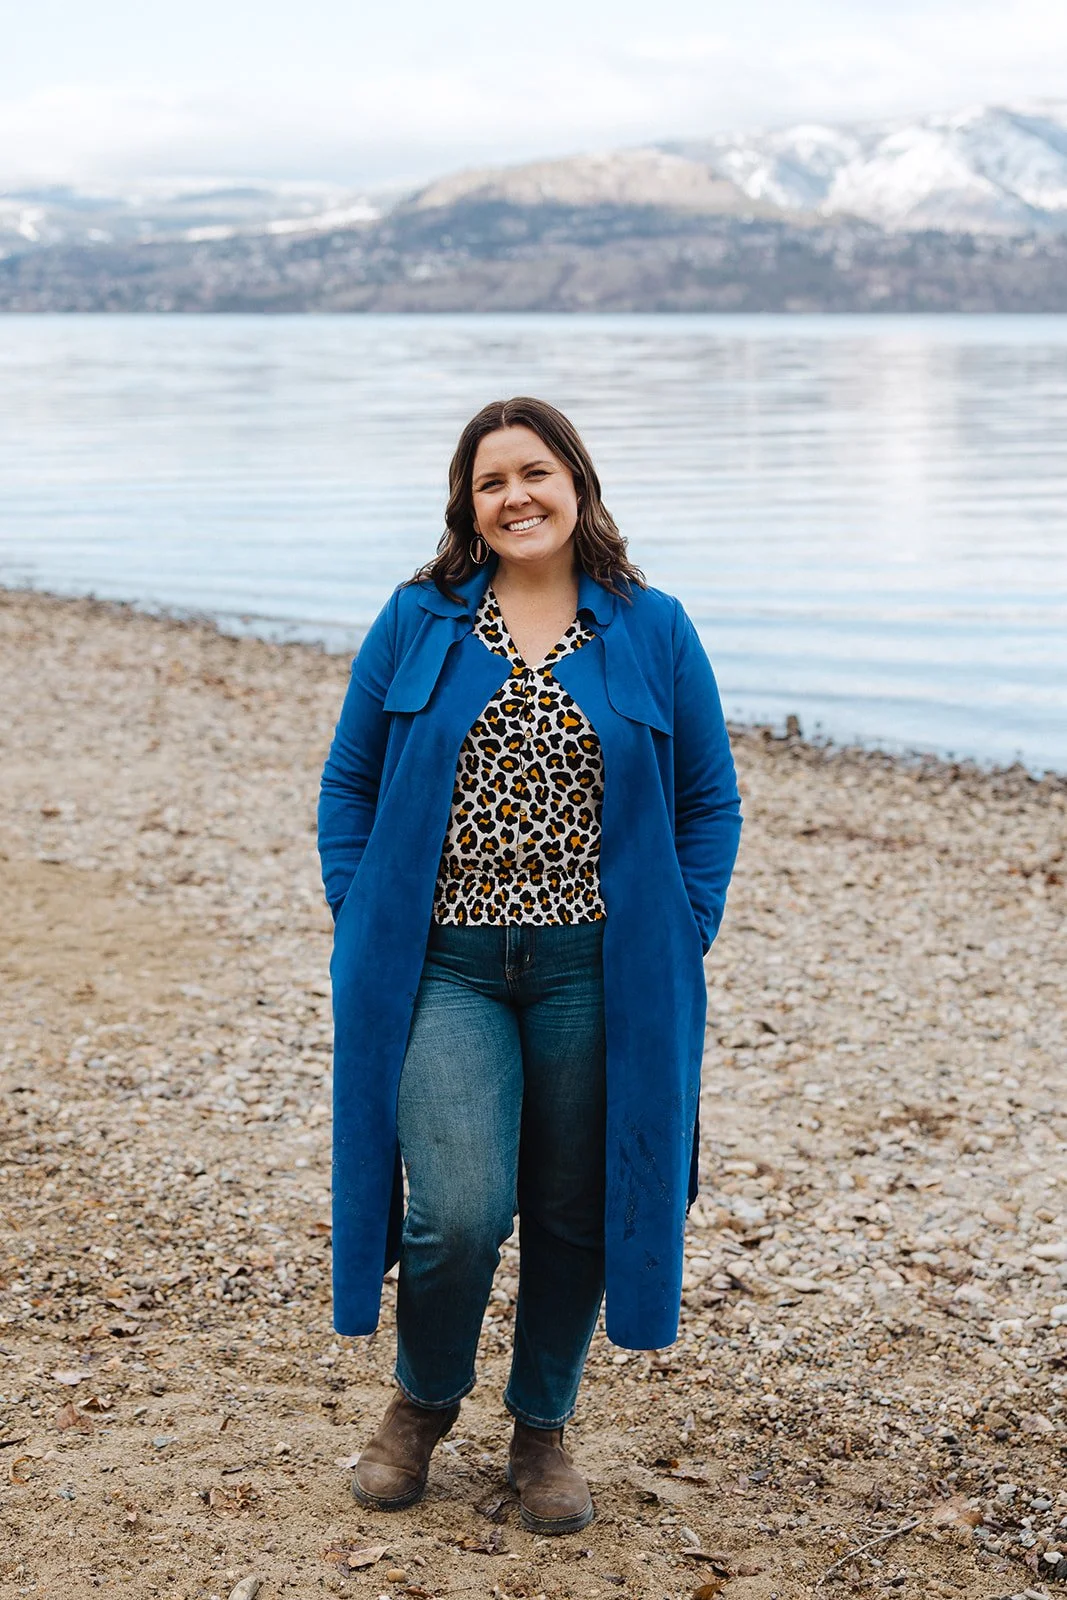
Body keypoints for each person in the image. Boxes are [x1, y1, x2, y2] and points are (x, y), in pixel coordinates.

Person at [317, 396, 742, 1534]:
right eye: (490, 479)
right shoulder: (418, 619)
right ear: (467, 503)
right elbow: (348, 780)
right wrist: (354, 909)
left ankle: (540, 1428)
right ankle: (420, 1402)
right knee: (455, 1210)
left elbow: (708, 799)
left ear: (578, 486)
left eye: (535, 473)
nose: (515, 496)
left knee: (574, 1207)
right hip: (443, 964)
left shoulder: (651, 627)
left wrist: (681, 926)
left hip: (595, 968)